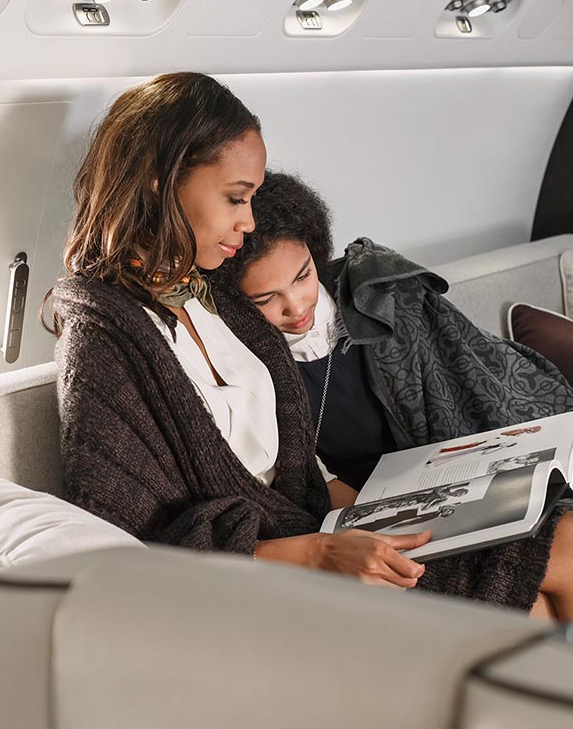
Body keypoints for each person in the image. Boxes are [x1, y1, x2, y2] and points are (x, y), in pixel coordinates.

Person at [49, 72, 431, 593]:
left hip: (319, 538)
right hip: (261, 580)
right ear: (161, 185)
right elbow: (133, 547)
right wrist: (319, 553)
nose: (249, 221)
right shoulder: (103, 339)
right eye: (235, 198)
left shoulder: (222, 300)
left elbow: (304, 479)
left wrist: (415, 517)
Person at [217, 169, 573, 619]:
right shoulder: (244, 366)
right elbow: (316, 493)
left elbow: (479, 380)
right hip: (368, 523)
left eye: (303, 276)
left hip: (456, 484)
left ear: (315, 250)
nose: (296, 306)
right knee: (537, 600)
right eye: (266, 299)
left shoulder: (381, 298)